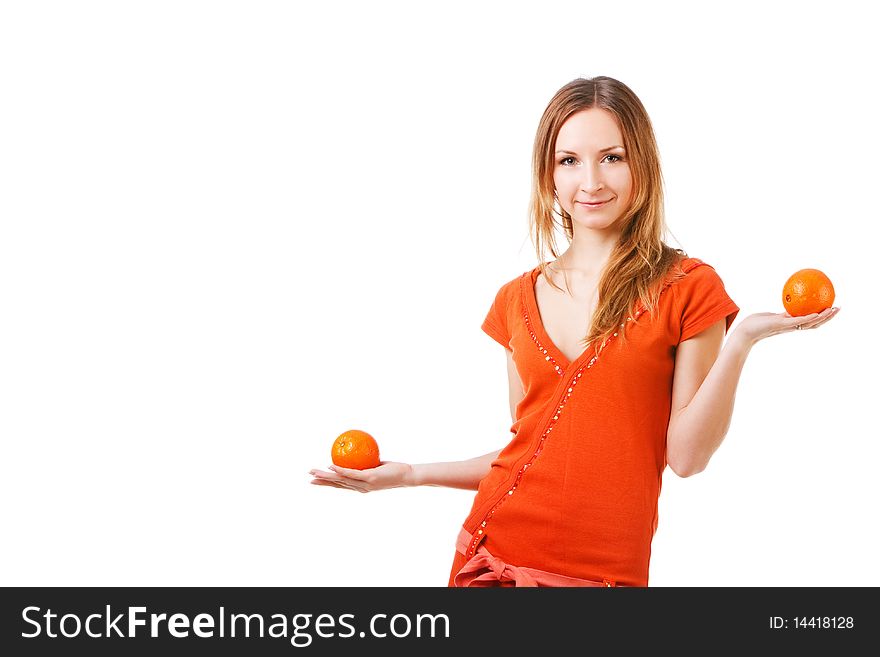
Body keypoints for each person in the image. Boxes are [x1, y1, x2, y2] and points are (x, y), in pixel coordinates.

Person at [309, 76, 839, 587]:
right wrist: (410, 475)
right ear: (549, 176)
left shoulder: (688, 288)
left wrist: (742, 341)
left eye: (612, 157)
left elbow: (687, 457)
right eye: (569, 161)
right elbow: (528, 449)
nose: (591, 181)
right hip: (491, 557)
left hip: (605, 575)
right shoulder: (515, 301)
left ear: (642, 166)